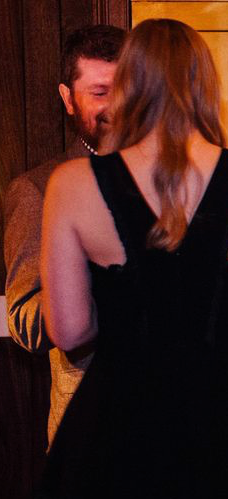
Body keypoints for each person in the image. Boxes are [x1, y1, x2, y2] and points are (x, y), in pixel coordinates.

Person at [37, 18, 228, 498]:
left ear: (128, 84)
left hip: (120, 421)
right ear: (204, 84)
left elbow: (70, 331)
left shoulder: (72, 184)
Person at [4, 24, 125, 444]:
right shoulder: (36, 189)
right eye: (99, 92)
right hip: (90, 426)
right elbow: (25, 322)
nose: (116, 105)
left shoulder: (169, 180)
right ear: (67, 98)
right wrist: (97, 281)